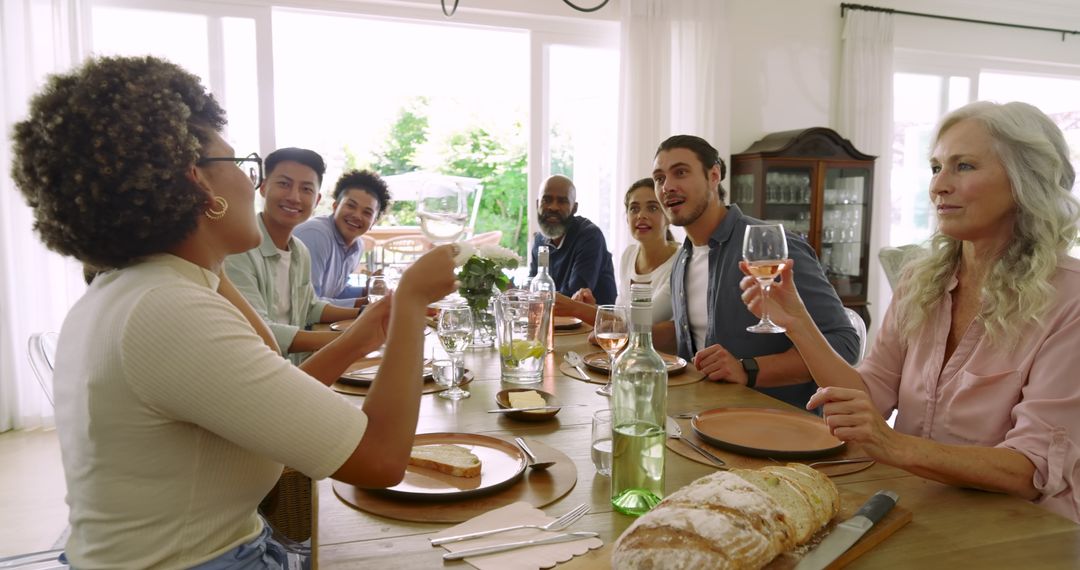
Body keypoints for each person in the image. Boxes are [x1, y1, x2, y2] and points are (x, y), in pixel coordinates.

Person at [11, 55, 458, 568]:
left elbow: (266, 367)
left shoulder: (141, 285)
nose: (256, 186)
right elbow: (380, 461)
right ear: (196, 182)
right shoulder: (169, 311)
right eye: (245, 168)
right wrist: (411, 305)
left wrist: (361, 337)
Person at [739, 101, 1080, 523]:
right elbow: (870, 397)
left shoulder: (1069, 299)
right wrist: (796, 321)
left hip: (1017, 530)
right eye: (936, 168)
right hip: (916, 507)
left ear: (1025, 182)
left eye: (965, 166)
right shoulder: (922, 279)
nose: (939, 185)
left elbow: (1029, 470)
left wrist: (893, 446)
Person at [652, 135, 859, 409]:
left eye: (680, 172)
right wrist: (628, 336)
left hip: (780, 430)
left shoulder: (770, 248)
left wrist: (747, 369)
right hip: (706, 418)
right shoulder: (683, 257)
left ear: (714, 176)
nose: (667, 186)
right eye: (658, 178)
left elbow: (844, 344)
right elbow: (688, 334)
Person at [225, 148, 363, 365]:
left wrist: (364, 313)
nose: (294, 197)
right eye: (284, 184)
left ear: (316, 200)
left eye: (306, 189)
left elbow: (309, 307)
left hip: (294, 368)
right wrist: (350, 340)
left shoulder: (299, 250)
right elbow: (258, 329)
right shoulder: (237, 247)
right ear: (263, 188)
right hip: (254, 372)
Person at [555, 177, 679, 324]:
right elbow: (621, 315)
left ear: (669, 215)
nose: (641, 215)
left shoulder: (680, 262)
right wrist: (592, 307)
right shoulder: (629, 254)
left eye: (652, 208)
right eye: (634, 209)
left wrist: (575, 308)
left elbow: (640, 322)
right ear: (627, 217)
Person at [294, 169, 390, 308]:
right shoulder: (316, 234)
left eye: (367, 212)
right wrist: (367, 302)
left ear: (373, 222)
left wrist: (368, 290)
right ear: (335, 206)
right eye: (351, 206)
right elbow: (308, 305)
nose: (357, 215)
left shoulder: (357, 246)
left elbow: (335, 293)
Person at [529, 175, 617, 304]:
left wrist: (538, 297)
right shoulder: (539, 240)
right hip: (556, 320)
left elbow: (575, 297)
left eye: (562, 201)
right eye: (547, 200)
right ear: (538, 204)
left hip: (594, 322)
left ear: (574, 208)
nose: (553, 207)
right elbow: (532, 287)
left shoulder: (590, 236)